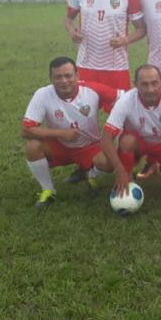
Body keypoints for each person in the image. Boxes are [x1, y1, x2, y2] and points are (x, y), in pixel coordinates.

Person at [21, 57, 121, 210]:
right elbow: (26, 130)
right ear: (51, 78)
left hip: (90, 146)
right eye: (58, 77)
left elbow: (125, 97)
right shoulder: (42, 94)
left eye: (68, 75)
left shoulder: (92, 89)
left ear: (77, 75)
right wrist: (61, 133)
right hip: (59, 146)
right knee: (32, 147)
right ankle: (48, 190)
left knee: (109, 160)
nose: (64, 81)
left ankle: (91, 175)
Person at [64, 0, 145, 93]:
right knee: (85, 111)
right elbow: (68, 19)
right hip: (86, 63)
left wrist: (125, 40)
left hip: (116, 65)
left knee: (120, 112)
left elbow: (141, 29)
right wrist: (72, 32)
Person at [100, 65, 161, 195]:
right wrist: (120, 171)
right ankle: (127, 176)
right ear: (135, 84)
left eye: (155, 83)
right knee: (127, 141)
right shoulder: (125, 101)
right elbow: (106, 139)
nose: (150, 89)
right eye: (144, 84)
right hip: (138, 143)